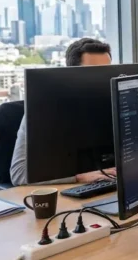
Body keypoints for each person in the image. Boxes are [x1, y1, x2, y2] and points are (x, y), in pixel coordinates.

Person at [10, 38, 115, 186]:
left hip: (111, 185)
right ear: (71, 74)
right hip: (69, 191)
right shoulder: (44, 110)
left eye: (107, 72)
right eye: (93, 72)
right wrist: (78, 178)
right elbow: (19, 173)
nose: (102, 79)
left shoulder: (118, 104)